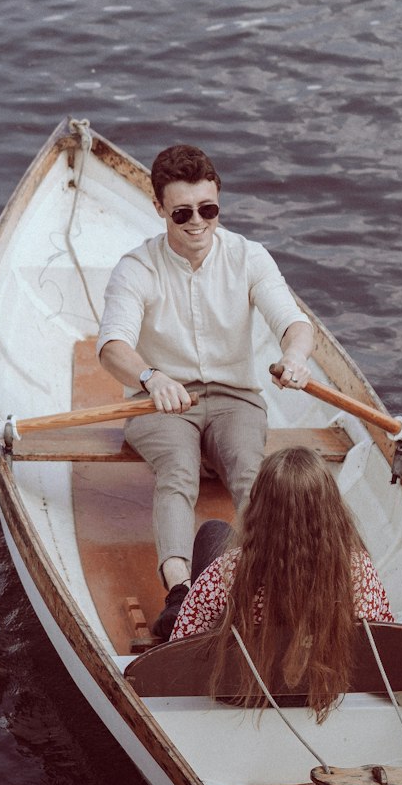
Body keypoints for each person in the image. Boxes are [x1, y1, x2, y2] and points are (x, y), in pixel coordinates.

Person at [96, 142, 315, 639]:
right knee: (177, 470)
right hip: (161, 402)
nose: (197, 222)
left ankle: (272, 583)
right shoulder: (137, 267)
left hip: (235, 400)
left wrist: (296, 357)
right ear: (159, 209)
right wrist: (151, 377)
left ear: (218, 204)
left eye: (208, 209)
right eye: (183, 212)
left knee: (249, 472)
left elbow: (294, 325)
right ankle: (180, 592)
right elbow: (112, 348)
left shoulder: (249, 257)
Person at [170, 447, 394, 722]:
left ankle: (177, 597)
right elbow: (382, 641)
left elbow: (180, 649)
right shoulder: (357, 572)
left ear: (259, 510)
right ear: (332, 508)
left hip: (239, 697)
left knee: (213, 532)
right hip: (320, 695)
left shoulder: (226, 573)